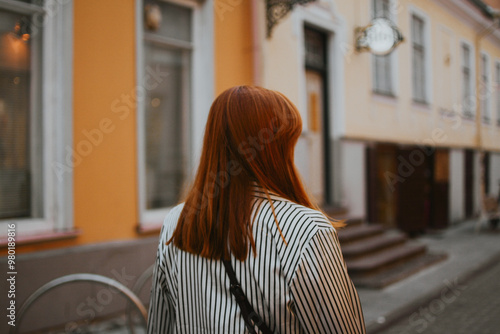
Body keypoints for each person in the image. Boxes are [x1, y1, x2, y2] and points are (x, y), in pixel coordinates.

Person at [147, 86, 366, 333]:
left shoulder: (176, 221)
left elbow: (159, 325)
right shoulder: (306, 229)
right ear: (275, 150)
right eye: (289, 143)